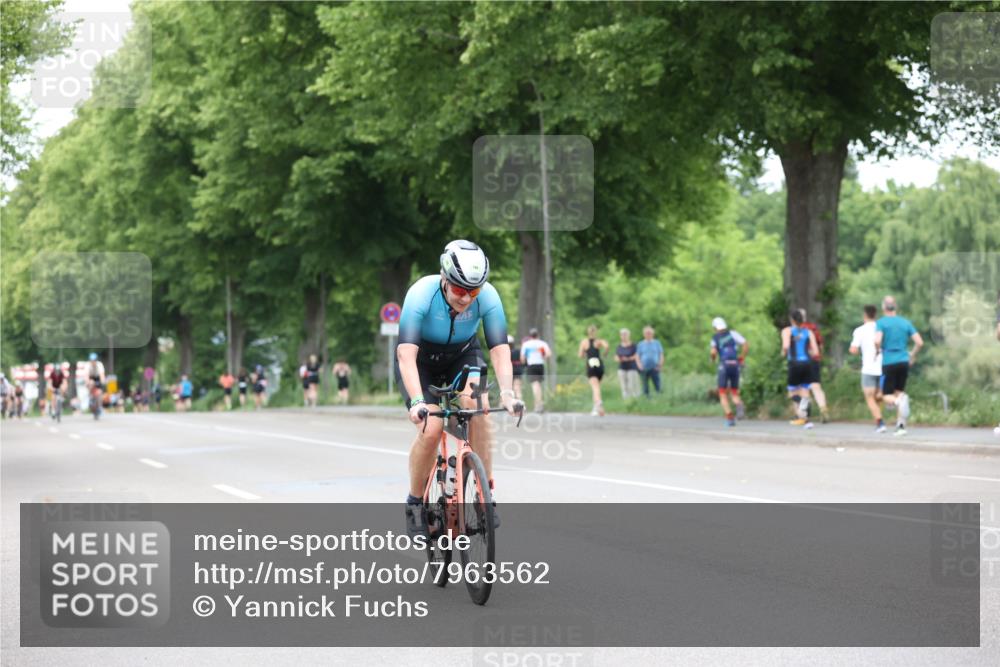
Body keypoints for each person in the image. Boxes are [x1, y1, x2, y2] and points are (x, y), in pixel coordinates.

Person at [396, 239, 522, 537]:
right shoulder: (421, 294)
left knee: (479, 410)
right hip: (421, 359)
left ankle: (484, 495)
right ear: (444, 278)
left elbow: (500, 349)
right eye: (460, 290)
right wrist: (417, 401)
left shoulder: (488, 296)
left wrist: (508, 392)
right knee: (432, 425)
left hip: (462, 355)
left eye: (473, 291)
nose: (467, 298)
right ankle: (415, 502)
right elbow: (406, 354)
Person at [874, 296, 923, 437]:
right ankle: (900, 426)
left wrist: (877, 350)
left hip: (889, 361)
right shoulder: (905, 323)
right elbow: (919, 342)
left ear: (883, 307)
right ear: (895, 307)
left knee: (886, 395)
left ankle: (897, 401)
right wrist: (912, 355)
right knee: (899, 392)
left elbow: (877, 340)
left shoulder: (881, 323)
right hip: (903, 361)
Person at [849, 305, 885, 433]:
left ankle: (880, 422)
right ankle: (880, 417)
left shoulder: (859, 330)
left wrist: (856, 351)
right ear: (876, 315)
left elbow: (853, 349)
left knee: (869, 397)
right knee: (878, 396)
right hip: (883, 366)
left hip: (868, 368)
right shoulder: (881, 328)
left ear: (864, 315)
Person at [782, 310, 820, 428]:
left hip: (794, 363)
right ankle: (804, 419)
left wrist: (783, 353)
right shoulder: (808, 332)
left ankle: (803, 409)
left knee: (792, 393)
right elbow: (816, 352)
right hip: (807, 363)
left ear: (792, 319)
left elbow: (786, 346)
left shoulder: (787, 331)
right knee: (804, 391)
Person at [710, 317, 748, 427]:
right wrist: (741, 358)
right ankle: (739, 404)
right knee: (734, 391)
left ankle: (730, 418)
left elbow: (713, 352)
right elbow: (745, 344)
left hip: (724, 365)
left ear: (715, 328)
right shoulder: (733, 334)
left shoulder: (715, 338)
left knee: (722, 393)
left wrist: (712, 359)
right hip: (735, 365)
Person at [797, 309, 830, 423]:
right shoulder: (813, 328)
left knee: (803, 388)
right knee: (816, 387)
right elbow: (820, 345)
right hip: (814, 360)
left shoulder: (795, 330)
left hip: (801, 361)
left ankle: (804, 415)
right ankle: (823, 409)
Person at [578, 325, 608, 416]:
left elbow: (580, 355)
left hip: (591, 363)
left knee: (595, 387)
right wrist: (604, 354)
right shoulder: (599, 341)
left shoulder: (584, 342)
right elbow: (607, 346)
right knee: (597, 387)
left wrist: (584, 354)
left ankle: (598, 403)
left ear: (588, 332)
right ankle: (595, 408)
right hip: (599, 363)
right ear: (596, 332)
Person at [520, 328, 551, 413]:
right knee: (539, 385)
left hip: (531, 365)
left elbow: (522, 358)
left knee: (535, 385)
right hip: (540, 365)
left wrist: (526, 361)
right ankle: (538, 404)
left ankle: (539, 405)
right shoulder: (542, 343)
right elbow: (548, 354)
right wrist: (542, 357)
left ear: (530, 336)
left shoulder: (526, 344)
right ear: (538, 335)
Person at [636, 325, 665, 397]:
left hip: (655, 367)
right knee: (645, 386)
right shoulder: (640, 344)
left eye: (649, 333)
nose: (648, 334)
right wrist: (639, 365)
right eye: (646, 333)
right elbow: (637, 356)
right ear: (644, 334)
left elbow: (661, 355)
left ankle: (660, 399)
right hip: (644, 368)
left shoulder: (657, 343)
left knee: (658, 385)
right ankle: (646, 400)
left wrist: (660, 365)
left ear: (652, 334)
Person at [615, 328, 640, 400]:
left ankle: (634, 399)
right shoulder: (619, 346)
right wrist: (619, 359)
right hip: (622, 367)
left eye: (625, 334)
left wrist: (628, 359)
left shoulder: (634, 345)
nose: (624, 336)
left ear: (629, 335)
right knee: (624, 385)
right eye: (622, 335)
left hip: (632, 367)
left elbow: (637, 355)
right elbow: (616, 356)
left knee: (632, 385)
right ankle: (626, 400)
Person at [85, 353, 106, 418]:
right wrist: (87, 383)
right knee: (90, 383)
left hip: (98, 378)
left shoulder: (99, 365)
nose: (93, 362)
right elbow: (86, 376)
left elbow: (102, 375)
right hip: (91, 378)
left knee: (99, 393)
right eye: (92, 361)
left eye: (94, 360)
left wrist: (102, 382)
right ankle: (90, 397)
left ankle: (99, 406)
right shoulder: (87, 365)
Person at [508, 334, 524, 400]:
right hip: (518, 370)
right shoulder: (518, 351)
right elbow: (522, 360)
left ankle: (504, 402)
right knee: (517, 387)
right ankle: (519, 400)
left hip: (509, 370)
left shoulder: (506, 352)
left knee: (508, 387)